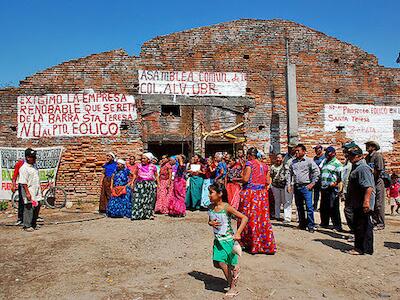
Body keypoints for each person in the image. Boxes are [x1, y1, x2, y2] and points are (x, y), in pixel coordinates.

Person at [208, 182, 248, 297]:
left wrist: (238, 233)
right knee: (217, 264)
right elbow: (210, 220)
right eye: (209, 193)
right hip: (217, 241)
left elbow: (244, 218)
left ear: (220, 194)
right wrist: (210, 223)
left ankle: (232, 287)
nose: (209, 195)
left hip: (228, 241)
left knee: (221, 263)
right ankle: (234, 270)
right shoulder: (210, 207)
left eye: (211, 193)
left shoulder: (226, 207)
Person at [238, 147, 276, 254]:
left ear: (250, 155)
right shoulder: (265, 166)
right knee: (261, 218)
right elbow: (267, 181)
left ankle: (249, 243)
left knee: (248, 217)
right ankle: (264, 244)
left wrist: (236, 179)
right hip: (262, 194)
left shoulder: (249, 164)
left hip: (250, 194)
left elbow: (245, 179)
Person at [346, 145, 375, 255]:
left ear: (359, 156)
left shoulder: (362, 168)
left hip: (362, 201)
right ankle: (365, 248)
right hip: (358, 201)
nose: (349, 157)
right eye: (349, 155)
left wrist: (366, 202)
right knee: (363, 224)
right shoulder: (356, 166)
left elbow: (368, 187)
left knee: (362, 225)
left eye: (352, 156)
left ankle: (360, 249)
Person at [288, 144, 320, 233]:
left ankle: (311, 225)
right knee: (299, 206)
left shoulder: (309, 161)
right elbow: (289, 174)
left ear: (304, 151)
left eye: (298, 151)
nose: (296, 152)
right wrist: (289, 185)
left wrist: (312, 183)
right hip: (297, 186)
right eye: (296, 151)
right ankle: (302, 224)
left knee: (309, 207)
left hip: (306, 187)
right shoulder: (293, 162)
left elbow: (316, 172)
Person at [18, 148, 42, 232]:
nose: (35, 159)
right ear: (28, 158)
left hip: (36, 189)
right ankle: (27, 225)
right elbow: (23, 182)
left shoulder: (34, 166)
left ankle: (34, 223)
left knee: (37, 205)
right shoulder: (24, 168)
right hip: (29, 189)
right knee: (29, 206)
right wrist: (27, 193)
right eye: (33, 157)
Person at [319, 146, 343, 231]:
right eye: (326, 152)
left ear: (333, 153)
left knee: (333, 207)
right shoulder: (324, 161)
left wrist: (335, 183)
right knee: (323, 206)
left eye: (329, 152)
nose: (327, 154)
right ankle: (324, 223)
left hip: (332, 188)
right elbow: (320, 169)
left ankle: (337, 225)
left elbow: (341, 176)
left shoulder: (337, 163)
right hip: (324, 187)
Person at [365, 141, 386, 230]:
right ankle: (374, 220)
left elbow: (378, 170)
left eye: (368, 146)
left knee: (379, 203)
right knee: (372, 203)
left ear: (373, 147)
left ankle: (381, 223)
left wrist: (372, 180)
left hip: (377, 181)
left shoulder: (377, 156)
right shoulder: (367, 157)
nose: (366, 147)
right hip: (371, 182)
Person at [131, 153, 159, 220]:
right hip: (140, 184)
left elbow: (156, 175)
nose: (142, 160)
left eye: (144, 158)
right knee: (138, 199)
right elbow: (135, 174)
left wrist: (158, 184)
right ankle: (137, 215)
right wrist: (132, 182)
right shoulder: (139, 166)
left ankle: (147, 214)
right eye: (142, 158)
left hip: (149, 184)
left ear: (148, 160)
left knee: (149, 200)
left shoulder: (153, 167)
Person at [270, 153, 291, 223]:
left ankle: (286, 217)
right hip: (275, 186)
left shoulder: (285, 166)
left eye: (279, 158)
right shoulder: (273, 167)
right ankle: (277, 216)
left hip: (283, 186)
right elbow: (271, 176)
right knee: (277, 201)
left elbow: (288, 175)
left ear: (282, 159)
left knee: (285, 201)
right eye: (277, 158)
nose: (278, 159)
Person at [283, 142, 297, 223]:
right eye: (289, 148)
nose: (290, 149)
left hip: (297, 181)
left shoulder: (298, 157)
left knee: (299, 201)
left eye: (292, 148)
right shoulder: (286, 157)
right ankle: (287, 218)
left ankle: (299, 218)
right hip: (288, 182)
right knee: (288, 201)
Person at [11, 158, 25, 225]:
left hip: (30, 185)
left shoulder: (33, 164)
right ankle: (20, 218)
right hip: (22, 184)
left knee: (33, 201)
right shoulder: (19, 163)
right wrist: (13, 185)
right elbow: (15, 175)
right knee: (22, 201)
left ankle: (33, 217)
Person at [313, 145, 325, 211]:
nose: (316, 151)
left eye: (317, 149)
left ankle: (322, 207)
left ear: (321, 149)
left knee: (323, 193)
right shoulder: (315, 158)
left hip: (322, 178)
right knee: (316, 193)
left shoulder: (324, 157)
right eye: (315, 149)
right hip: (316, 178)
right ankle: (314, 206)